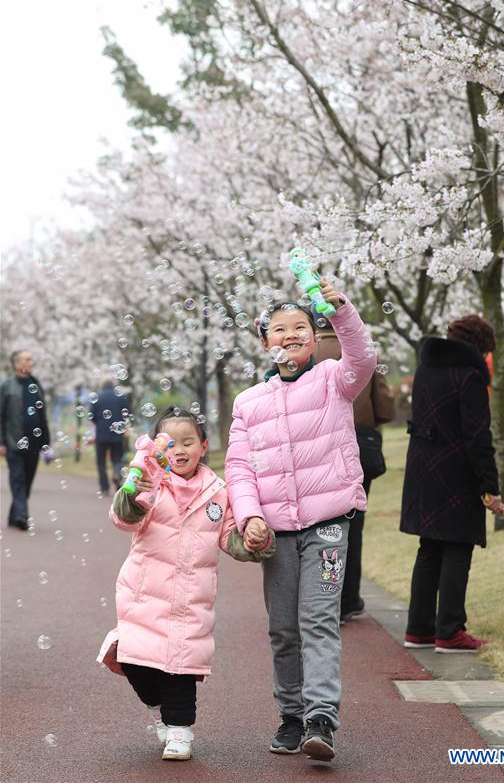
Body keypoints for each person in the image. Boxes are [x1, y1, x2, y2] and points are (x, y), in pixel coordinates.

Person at [225, 282, 376, 762]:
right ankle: (291, 716)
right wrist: (249, 516)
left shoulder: (335, 378)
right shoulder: (248, 403)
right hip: (276, 532)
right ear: (264, 342)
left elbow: (363, 357)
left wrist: (341, 310)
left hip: (329, 524)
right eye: (278, 330)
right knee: (284, 628)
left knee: (318, 620)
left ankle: (320, 720)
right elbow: (238, 467)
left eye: (299, 328)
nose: (289, 336)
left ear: (315, 337)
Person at [97, 406, 270, 761]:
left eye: (188, 442)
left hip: (190, 601)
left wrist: (254, 540)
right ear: (159, 449)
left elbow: (230, 537)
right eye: (171, 443)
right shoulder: (151, 482)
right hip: (143, 594)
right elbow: (124, 517)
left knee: (180, 667)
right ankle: (160, 709)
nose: (179, 450)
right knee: (136, 662)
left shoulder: (218, 492)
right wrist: (134, 491)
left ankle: (180, 732)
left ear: (203, 446)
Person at [400, 315, 504, 653]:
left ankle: (419, 629)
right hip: (457, 472)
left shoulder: (426, 368)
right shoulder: (470, 376)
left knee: (429, 548)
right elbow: (477, 435)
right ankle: (450, 631)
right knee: (458, 548)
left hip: (423, 468)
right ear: (479, 347)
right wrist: (490, 482)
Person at [314, 313, 396, 623]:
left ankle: (325, 597)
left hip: (319, 449)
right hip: (360, 447)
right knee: (354, 525)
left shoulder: (305, 352)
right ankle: (349, 599)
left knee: (324, 527)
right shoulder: (362, 349)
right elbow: (386, 409)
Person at [0, 350, 51, 530]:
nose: (31, 362)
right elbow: (1, 415)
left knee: (27, 480)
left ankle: (14, 515)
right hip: (13, 442)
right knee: (18, 478)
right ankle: (22, 516)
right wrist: (1, 442)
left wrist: (46, 442)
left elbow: (42, 415)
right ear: (17, 364)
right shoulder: (7, 386)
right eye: (27, 359)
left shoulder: (36, 385)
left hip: (34, 443)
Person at [91, 381, 130, 494]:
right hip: (117, 434)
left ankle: (104, 487)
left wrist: (99, 423)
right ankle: (117, 476)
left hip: (101, 434)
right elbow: (127, 413)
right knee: (117, 458)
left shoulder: (98, 397)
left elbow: (92, 415)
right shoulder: (121, 397)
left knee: (101, 462)